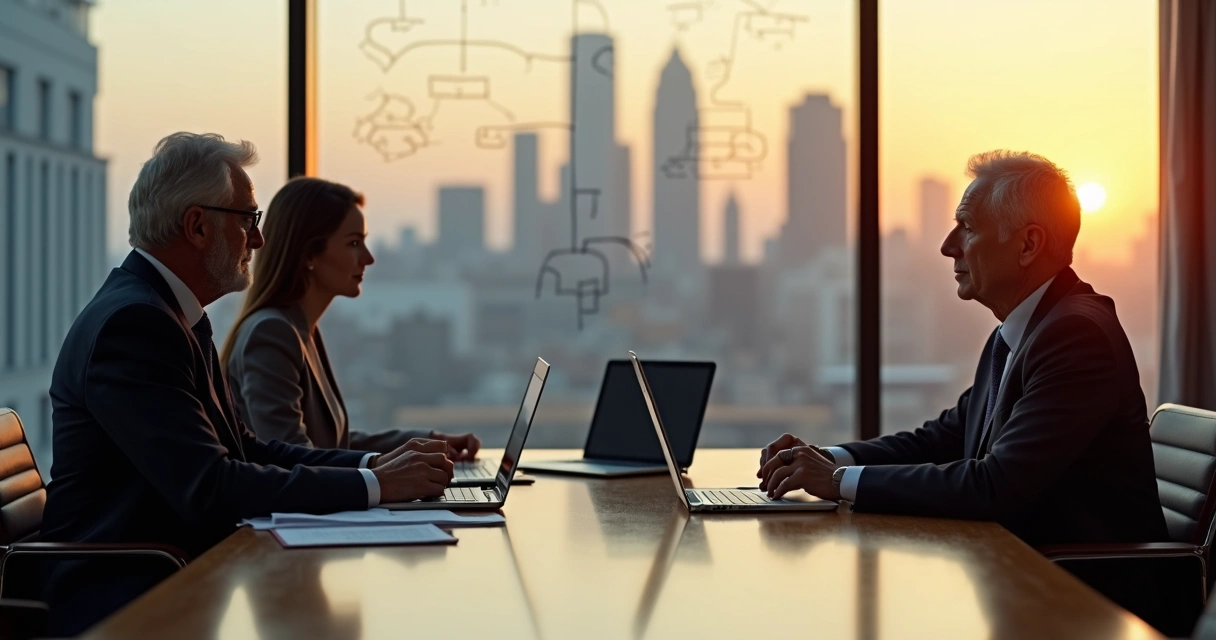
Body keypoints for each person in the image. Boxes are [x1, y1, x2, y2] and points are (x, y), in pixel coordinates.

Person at [40, 133, 455, 635]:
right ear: (197, 226)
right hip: (130, 599)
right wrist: (378, 485)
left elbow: (248, 448)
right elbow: (211, 486)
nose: (257, 240)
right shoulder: (136, 325)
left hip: (184, 577)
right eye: (247, 221)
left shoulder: (170, 314)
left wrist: (375, 467)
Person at [757, 150, 1167, 547]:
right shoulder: (1021, 331)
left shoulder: (1076, 336)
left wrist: (834, 482)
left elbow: (994, 485)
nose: (947, 246)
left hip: (1085, 584)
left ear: (1028, 244)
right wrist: (827, 458)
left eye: (967, 226)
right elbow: (942, 439)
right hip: (1021, 566)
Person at [220, 176, 480, 458]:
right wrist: (385, 468)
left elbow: (332, 445)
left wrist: (429, 442)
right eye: (354, 243)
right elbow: (293, 457)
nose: (368, 258)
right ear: (309, 254)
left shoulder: (301, 329)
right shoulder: (272, 333)